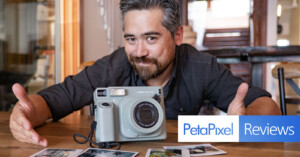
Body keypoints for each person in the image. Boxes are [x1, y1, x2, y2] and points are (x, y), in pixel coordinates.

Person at [9, 0, 281, 147]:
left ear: (177, 36)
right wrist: (25, 113)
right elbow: (54, 100)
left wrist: (246, 124)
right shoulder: (112, 67)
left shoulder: (201, 66)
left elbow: (271, 111)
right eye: (131, 39)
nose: (139, 52)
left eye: (151, 39)